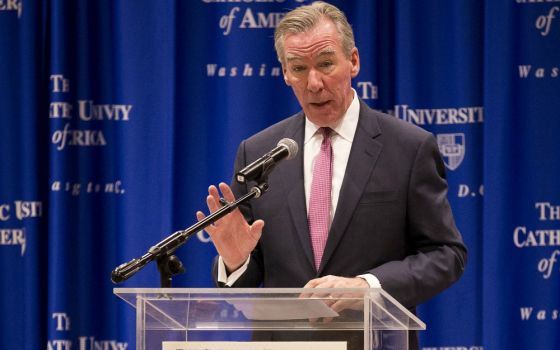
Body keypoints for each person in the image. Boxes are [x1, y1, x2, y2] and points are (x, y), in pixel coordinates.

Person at [196, 2, 467, 349]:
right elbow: (251, 276)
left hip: (375, 341)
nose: (314, 83)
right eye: (299, 68)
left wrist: (368, 286)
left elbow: (447, 254)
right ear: (285, 73)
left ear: (353, 61)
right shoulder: (259, 151)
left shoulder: (408, 147)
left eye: (325, 64)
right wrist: (235, 262)